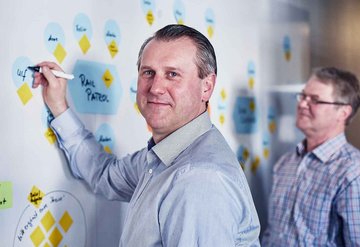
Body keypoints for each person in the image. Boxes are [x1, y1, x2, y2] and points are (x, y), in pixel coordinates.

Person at [33, 24, 260, 246]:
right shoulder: (167, 155)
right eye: (148, 72)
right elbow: (105, 175)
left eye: (172, 74)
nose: (155, 88)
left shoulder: (198, 180)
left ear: (206, 87)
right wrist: (59, 107)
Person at [262, 67, 360, 246]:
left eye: (315, 100)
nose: (302, 104)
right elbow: (272, 232)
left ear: (343, 112)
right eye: (303, 96)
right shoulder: (285, 163)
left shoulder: (352, 172)